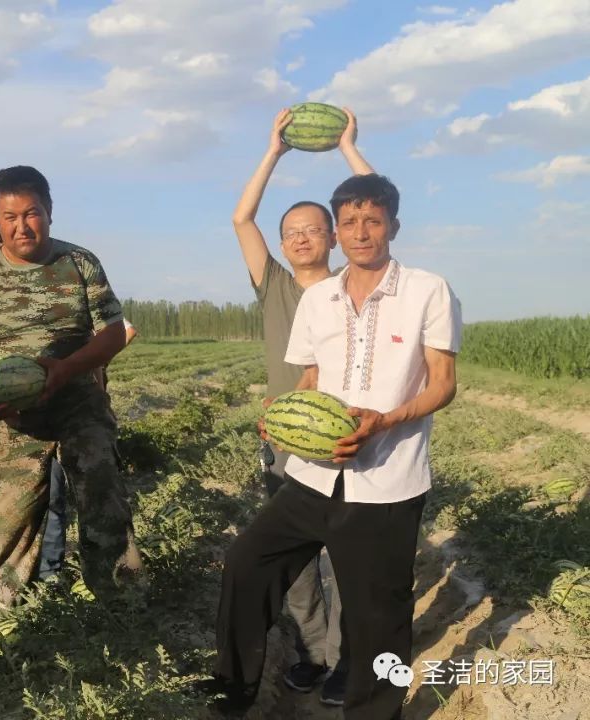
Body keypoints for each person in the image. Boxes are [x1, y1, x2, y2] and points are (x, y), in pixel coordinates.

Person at [200, 173, 460, 719]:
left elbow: (443, 382)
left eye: (373, 220)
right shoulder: (317, 298)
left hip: (386, 482)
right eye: (349, 222)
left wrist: (386, 420)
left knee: (378, 615)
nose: (361, 232)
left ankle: (373, 712)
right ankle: (233, 690)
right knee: (247, 563)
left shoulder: (427, 290)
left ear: (393, 224)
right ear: (337, 232)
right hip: (313, 475)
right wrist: (283, 415)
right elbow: (311, 379)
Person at [0, 166, 145, 608]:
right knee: (14, 518)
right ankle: (16, 612)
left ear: (49, 212)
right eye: (10, 217)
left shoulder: (79, 262)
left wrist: (67, 368)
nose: (22, 226)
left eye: (31, 213)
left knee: (103, 500)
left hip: (79, 404)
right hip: (11, 415)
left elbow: (112, 332)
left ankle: (119, 606)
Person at [228, 107, 374, 705]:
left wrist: (346, 148)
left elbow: (374, 210)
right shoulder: (275, 285)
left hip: (342, 440)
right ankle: (313, 650)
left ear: (333, 237)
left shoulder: (353, 281)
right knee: (293, 561)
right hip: (284, 441)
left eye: (313, 228)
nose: (299, 236)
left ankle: (344, 660)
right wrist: (275, 151)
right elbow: (242, 218)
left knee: (344, 559)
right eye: (291, 230)